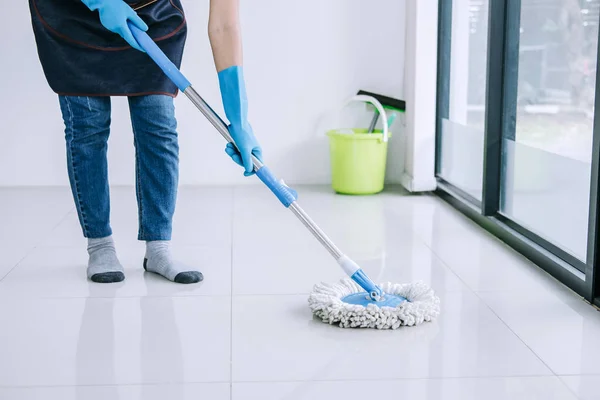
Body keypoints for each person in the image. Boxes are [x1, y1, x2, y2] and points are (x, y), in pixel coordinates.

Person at [29, 0, 262, 283]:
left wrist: (238, 119)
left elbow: (225, 25)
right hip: (75, 16)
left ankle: (159, 248)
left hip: (151, 17)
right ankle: (100, 245)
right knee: (87, 127)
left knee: (158, 126)